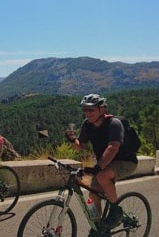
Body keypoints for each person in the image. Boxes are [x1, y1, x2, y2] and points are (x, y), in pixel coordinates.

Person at [65, 94, 139, 230]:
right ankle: (98, 228)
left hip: (126, 161)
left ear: (102, 110)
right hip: (105, 164)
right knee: (93, 195)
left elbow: (113, 148)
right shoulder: (88, 125)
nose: (87, 113)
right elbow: (80, 146)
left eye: (91, 110)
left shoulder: (114, 124)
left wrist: (98, 167)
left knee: (102, 175)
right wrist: (72, 139)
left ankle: (115, 210)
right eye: (85, 110)